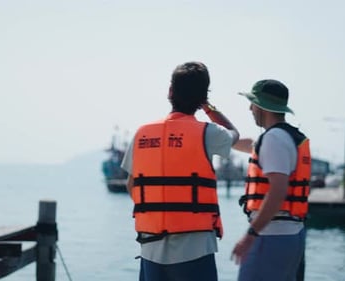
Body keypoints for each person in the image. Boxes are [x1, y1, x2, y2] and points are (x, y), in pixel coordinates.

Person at [121, 61, 239, 281]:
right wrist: (209, 108)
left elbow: (132, 185)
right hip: (194, 249)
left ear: (170, 91)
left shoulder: (142, 133)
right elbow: (234, 133)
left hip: (150, 248)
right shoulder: (208, 133)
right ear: (203, 98)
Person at [231, 79, 311, 281]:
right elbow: (244, 143)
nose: (250, 108)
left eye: (252, 103)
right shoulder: (287, 137)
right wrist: (210, 112)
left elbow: (277, 191)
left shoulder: (273, 140)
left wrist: (250, 235)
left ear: (262, 106)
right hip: (291, 236)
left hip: (270, 237)